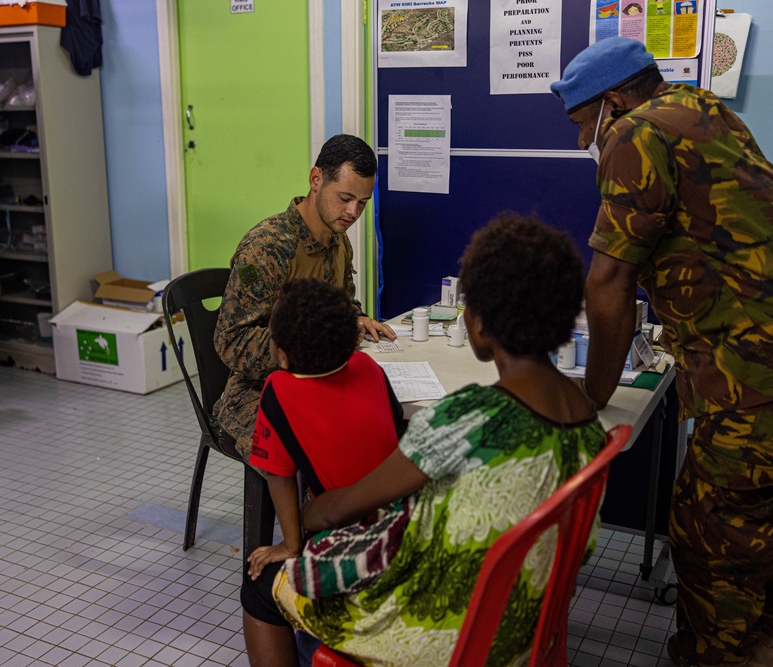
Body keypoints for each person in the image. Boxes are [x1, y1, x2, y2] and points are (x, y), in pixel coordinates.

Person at [551, 37, 773, 667]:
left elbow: (609, 281)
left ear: (612, 102)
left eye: (578, 124)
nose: (579, 141)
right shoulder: (704, 111)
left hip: (767, 372)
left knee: (713, 535)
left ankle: (715, 656)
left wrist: (594, 396)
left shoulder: (632, 135)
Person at [244, 213, 606, 667]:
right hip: (523, 621)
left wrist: (308, 515)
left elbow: (340, 507)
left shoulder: (467, 416)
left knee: (261, 586)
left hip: (439, 633)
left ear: (478, 323)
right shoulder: (588, 420)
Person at [240, 277, 404, 666]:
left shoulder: (279, 389)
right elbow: (396, 432)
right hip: (404, 526)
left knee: (256, 588)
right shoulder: (368, 366)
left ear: (282, 354)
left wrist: (291, 545)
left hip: (356, 543)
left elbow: (278, 475)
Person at [213, 134, 397, 464]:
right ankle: (313, 516)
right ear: (316, 180)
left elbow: (344, 304)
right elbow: (230, 341)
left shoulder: (338, 240)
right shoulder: (267, 247)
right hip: (258, 391)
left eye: (363, 203)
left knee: (379, 425)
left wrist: (355, 318)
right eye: (344, 198)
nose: (353, 212)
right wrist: (311, 345)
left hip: (319, 379)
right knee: (323, 447)